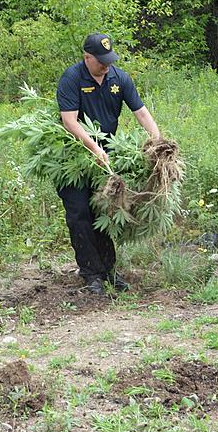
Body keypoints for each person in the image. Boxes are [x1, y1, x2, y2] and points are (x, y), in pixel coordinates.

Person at [56, 33, 161, 295]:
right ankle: (91, 275)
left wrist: (158, 141)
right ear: (86, 57)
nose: (106, 65)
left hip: (105, 159)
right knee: (80, 214)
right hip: (73, 158)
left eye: (109, 60)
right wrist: (93, 148)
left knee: (102, 213)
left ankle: (109, 272)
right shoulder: (72, 79)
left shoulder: (119, 78)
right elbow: (69, 121)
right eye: (101, 61)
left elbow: (141, 111)